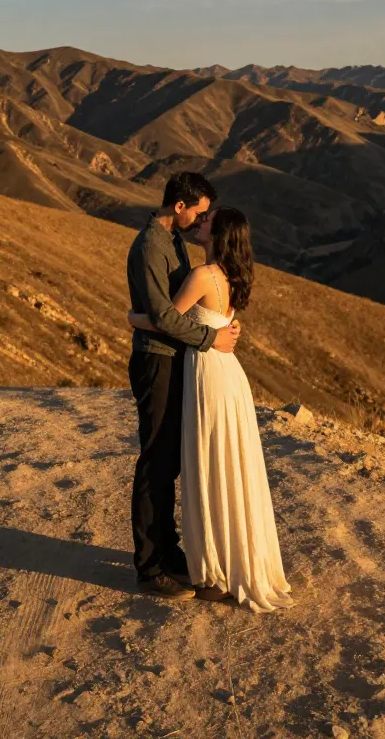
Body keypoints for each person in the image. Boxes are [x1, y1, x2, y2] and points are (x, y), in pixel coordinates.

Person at [131, 207, 292, 612]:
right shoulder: (233, 278)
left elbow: (167, 320)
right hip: (228, 373)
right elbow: (219, 325)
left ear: (217, 235)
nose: (200, 223)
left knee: (209, 466)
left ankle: (215, 572)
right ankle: (232, 560)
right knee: (228, 465)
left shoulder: (203, 276)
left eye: (207, 221)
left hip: (206, 372)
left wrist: (133, 316)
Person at [126, 171, 241, 599]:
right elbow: (163, 317)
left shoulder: (173, 241)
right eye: (200, 211)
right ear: (180, 206)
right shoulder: (150, 247)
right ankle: (150, 566)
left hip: (177, 360)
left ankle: (169, 553)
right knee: (155, 459)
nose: (203, 219)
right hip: (156, 360)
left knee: (172, 461)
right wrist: (214, 338)